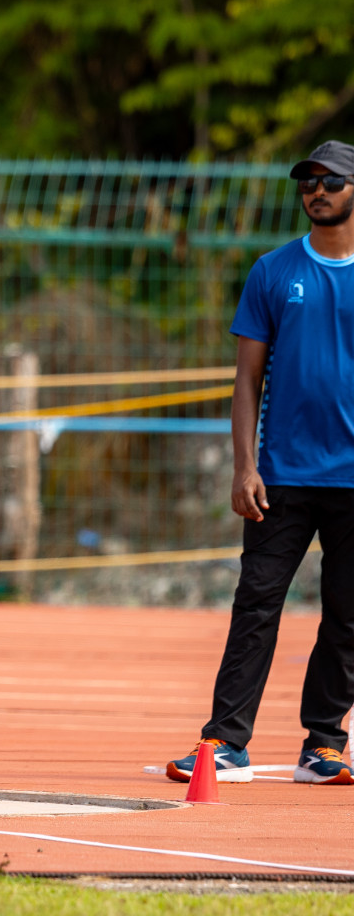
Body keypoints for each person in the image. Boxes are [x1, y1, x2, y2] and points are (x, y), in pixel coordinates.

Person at [168, 140, 354, 787]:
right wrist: (244, 466)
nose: (317, 189)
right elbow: (246, 381)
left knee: (348, 614)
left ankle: (325, 744)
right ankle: (224, 742)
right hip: (282, 475)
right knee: (256, 604)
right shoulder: (273, 273)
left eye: (331, 180)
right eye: (308, 180)